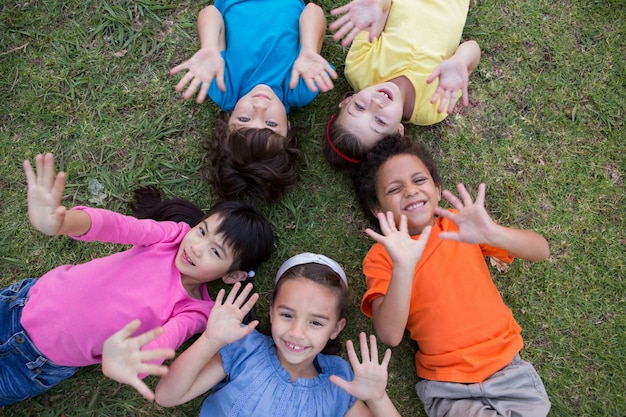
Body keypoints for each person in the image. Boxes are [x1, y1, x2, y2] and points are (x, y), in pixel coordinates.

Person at [0, 153, 273, 406]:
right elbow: (118, 227)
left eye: (215, 251)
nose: (197, 247)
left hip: (35, 363)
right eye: (202, 231)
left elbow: (165, 340)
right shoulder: (171, 236)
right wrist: (63, 222)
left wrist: (129, 363)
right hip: (21, 301)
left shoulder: (195, 310)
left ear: (232, 275)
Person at [352, 136, 552, 416]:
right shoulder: (383, 256)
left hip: (509, 371)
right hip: (450, 387)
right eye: (395, 189)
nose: (410, 191)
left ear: (437, 190)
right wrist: (404, 267)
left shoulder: (460, 225)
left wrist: (492, 233)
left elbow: (540, 250)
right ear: (377, 209)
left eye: (419, 181)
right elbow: (389, 334)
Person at [154, 253, 401, 416]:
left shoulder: (338, 385)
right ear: (271, 312)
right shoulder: (245, 348)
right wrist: (210, 340)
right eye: (287, 315)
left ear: (336, 328)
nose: (296, 332)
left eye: (315, 322)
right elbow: (167, 396)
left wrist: (378, 399)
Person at [170, 0, 337, 202]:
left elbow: (210, 12)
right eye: (271, 124)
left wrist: (210, 47)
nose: (259, 107)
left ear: (228, 121)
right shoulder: (301, 88)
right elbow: (313, 10)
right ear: (288, 128)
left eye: (243, 119)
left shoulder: (224, 88)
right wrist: (309, 50)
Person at [323, 0, 481, 169]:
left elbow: (385, 6)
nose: (375, 104)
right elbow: (473, 47)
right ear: (398, 132)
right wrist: (461, 60)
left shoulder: (358, 69)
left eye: (360, 107)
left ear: (347, 100)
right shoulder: (432, 108)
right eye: (380, 120)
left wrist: (376, 5)